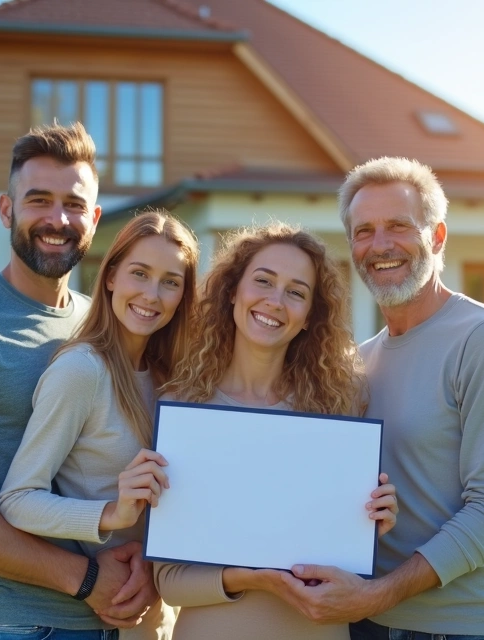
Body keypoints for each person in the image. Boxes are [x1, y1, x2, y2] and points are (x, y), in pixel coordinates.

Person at [0, 122, 157, 640]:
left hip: (121, 621)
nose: (57, 219)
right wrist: (85, 581)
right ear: (6, 209)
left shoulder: (104, 324)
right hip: (15, 623)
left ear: (95, 217)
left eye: (74, 204)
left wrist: (147, 567)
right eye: (38, 200)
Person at [269, 157, 484, 640]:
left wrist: (381, 593)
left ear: (437, 237)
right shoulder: (359, 361)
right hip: (364, 621)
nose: (381, 244)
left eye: (399, 226)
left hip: (463, 627)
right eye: (364, 231)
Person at [152, 222, 399, 640]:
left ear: (308, 318)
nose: (275, 301)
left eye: (296, 292)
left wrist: (374, 522)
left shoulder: (339, 409)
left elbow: (347, 553)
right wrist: (254, 578)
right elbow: (168, 580)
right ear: (233, 291)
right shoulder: (184, 408)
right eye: (263, 281)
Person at [0, 210, 201, 640]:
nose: (152, 294)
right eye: (139, 273)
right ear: (110, 277)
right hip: (94, 623)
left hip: (155, 613)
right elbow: (17, 499)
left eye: (170, 281)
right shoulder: (82, 371)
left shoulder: (173, 379)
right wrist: (112, 512)